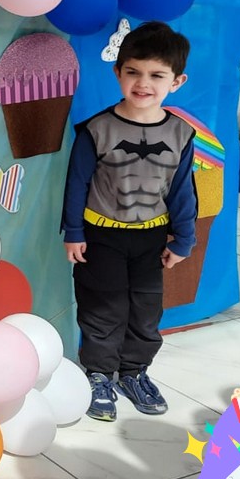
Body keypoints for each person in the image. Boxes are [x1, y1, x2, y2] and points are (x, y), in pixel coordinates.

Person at [61, 21, 197, 421]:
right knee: (102, 307)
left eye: (157, 75)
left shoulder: (181, 133)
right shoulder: (96, 129)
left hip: (151, 237)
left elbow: (182, 190)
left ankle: (134, 372)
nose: (143, 83)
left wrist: (184, 239)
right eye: (133, 71)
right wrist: (74, 231)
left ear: (177, 81)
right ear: (117, 72)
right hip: (101, 235)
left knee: (145, 309)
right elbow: (76, 183)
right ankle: (99, 374)